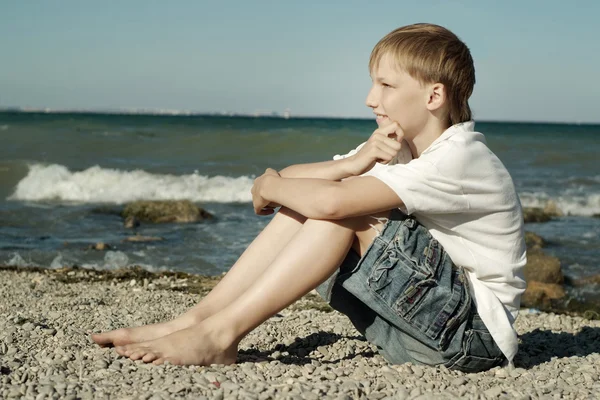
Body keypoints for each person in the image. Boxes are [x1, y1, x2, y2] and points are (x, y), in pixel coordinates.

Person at [92, 23, 526, 373]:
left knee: (343, 210)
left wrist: (269, 187)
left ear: (434, 95)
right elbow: (304, 183)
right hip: (420, 331)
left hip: (469, 338)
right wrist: (351, 164)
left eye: (386, 85)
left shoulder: (460, 157)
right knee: (326, 196)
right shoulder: (401, 149)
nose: (370, 98)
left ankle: (219, 336)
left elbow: (330, 206)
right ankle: (196, 321)